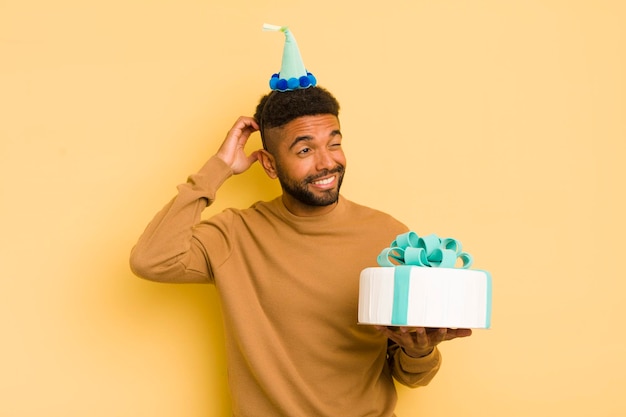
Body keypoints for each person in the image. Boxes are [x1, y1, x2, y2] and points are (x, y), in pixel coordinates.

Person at [129, 85, 472, 417]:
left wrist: (420, 350)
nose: (327, 163)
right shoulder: (235, 235)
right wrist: (216, 170)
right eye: (305, 150)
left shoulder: (389, 237)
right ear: (270, 164)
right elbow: (151, 259)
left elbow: (415, 375)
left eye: (334, 144)